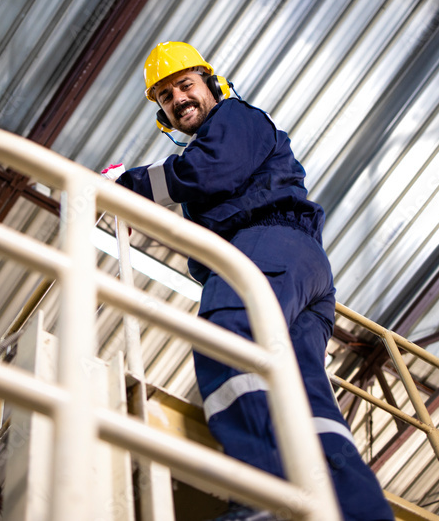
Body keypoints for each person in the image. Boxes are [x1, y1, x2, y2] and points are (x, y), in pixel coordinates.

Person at [104, 41, 393, 521]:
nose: (177, 99)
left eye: (185, 85)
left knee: (227, 344)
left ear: (211, 85)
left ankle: (266, 499)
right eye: (166, 98)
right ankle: (357, 512)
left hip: (264, 248)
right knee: (303, 394)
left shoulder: (235, 118)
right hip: (297, 267)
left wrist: (126, 186)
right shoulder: (221, 142)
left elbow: (206, 172)